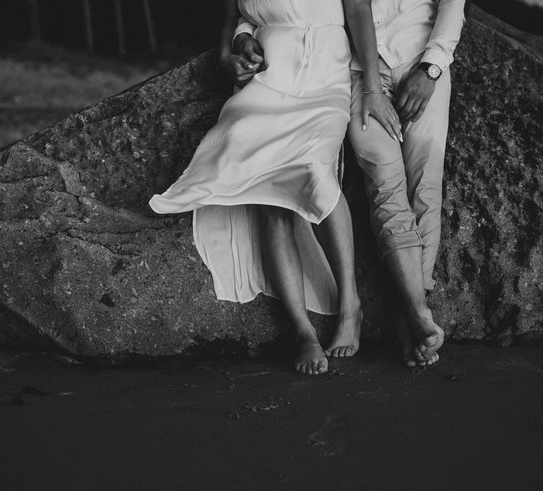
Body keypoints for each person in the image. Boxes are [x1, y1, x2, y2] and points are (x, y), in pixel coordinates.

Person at [150, 0, 399, 375]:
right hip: (268, 80)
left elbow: (359, 11)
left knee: (316, 170)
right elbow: (234, 16)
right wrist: (230, 53)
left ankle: (351, 306)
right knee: (260, 182)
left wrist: (373, 92)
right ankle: (303, 332)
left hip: (323, 76)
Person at [235, 0, 466, 367]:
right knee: (384, 187)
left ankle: (414, 314)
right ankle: (416, 314)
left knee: (425, 188)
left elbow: (453, 6)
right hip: (359, 73)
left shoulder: (427, 68)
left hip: (417, 61)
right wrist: (243, 34)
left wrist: (432, 69)